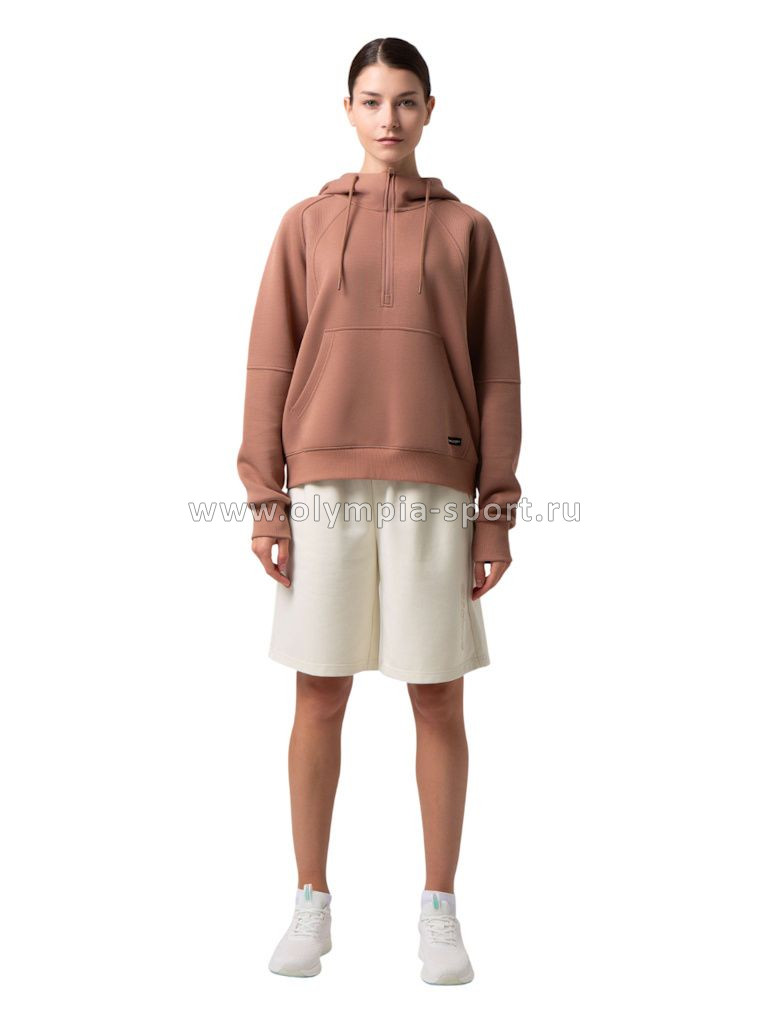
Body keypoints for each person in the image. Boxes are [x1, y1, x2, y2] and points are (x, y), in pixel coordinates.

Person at [236, 37, 522, 985]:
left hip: (435, 487)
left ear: (429, 110)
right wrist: (267, 501)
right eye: (371, 100)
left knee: (437, 694)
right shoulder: (305, 224)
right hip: (321, 486)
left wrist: (495, 512)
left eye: (405, 101)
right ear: (348, 109)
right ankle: (309, 901)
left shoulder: (469, 230)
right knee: (319, 693)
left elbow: (498, 376)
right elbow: (270, 361)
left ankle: (440, 907)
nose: (388, 118)